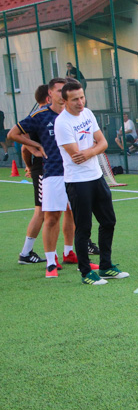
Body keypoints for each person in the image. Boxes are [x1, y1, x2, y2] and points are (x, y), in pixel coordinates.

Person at [53, 81, 128, 285]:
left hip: (96, 177)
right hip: (78, 182)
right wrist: (93, 149)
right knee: (84, 228)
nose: (80, 102)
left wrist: (91, 151)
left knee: (108, 221)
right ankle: (86, 272)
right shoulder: (62, 123)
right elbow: (76, 155)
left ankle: (105, 266)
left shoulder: (88, 113)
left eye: (82, 97)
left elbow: (103, 143)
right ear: (65, 101)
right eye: (75, 99)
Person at [7, 80, 79, 275]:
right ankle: (50, 261)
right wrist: (35, 147)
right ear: (50, 94)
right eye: (59, 90)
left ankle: (69, 252)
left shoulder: (74, 113)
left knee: (72, 213)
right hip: (53, 172)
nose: (63, 94)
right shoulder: (41, 115)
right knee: (50, 216)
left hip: (74, 172)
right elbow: (13, 134)